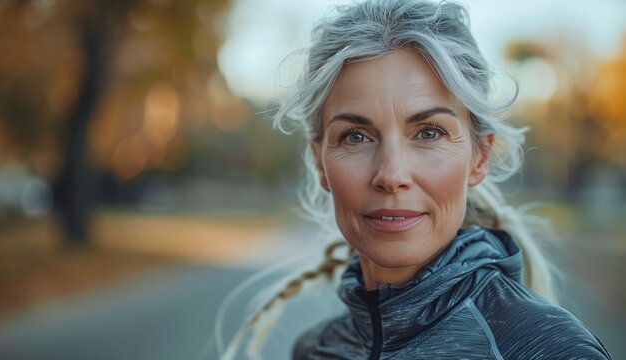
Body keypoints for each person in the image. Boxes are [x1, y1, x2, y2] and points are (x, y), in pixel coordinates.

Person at [219, 0, 613, 358]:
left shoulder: (554, 351)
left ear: (480, 156)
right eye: (356, 137)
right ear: (319, 163)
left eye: (429, 133)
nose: (391, 175)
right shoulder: (316, 350)